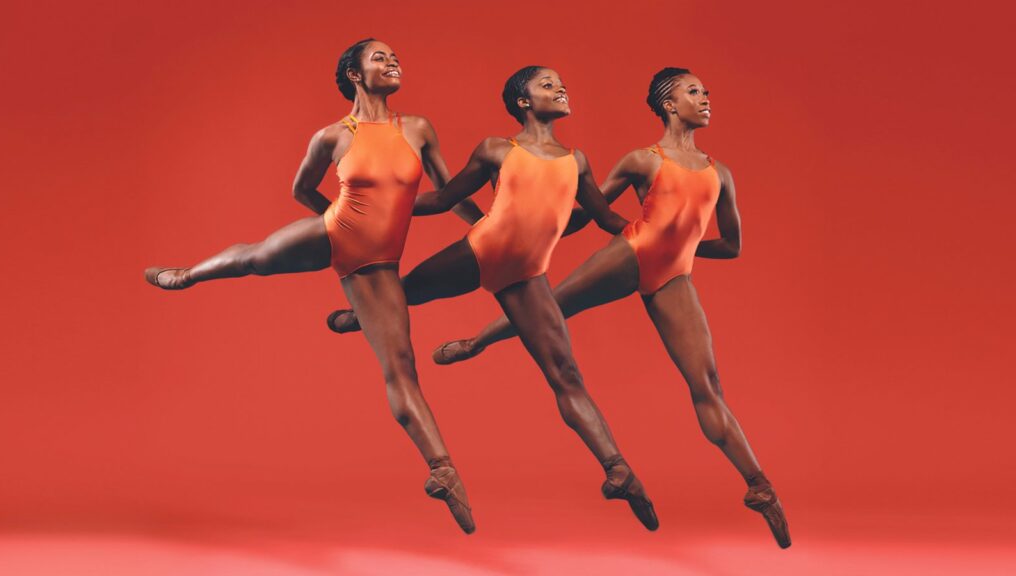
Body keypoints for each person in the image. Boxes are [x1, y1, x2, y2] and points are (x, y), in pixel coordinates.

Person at [423, 68, 791, 547]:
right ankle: (478, 340)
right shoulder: (644, 160)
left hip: (674, 276)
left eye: (706, 92)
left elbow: (731, 247)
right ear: (668, 104)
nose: (705, 98)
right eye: (694, 91)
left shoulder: (720, 174)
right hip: (629, 252)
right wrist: (531, 230)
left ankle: (759, 486)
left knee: (707, 385)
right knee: (552, 305)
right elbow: (586, 211)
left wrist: (681, 245)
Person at [144, 39, 482, 534]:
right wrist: (342, 220)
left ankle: (442, 472)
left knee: (401, 367)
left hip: (378, 263)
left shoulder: (417, 128)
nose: (393, 62)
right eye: (380, 58)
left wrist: (483, 227)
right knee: (256, 258)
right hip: (333, 231)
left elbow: (445, 193)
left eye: (395, 56)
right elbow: (301, 189)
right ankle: (190, 273)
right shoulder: (332, 136)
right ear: (354, 74)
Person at [326, 66, 659, 530]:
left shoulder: (576, 161)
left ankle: (617, 469)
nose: (561, 88)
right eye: (548, 84)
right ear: (523, 101)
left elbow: (601, 217)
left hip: (526, 275)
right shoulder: (497, 149)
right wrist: (377, 205)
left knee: (565, 373)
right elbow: (444, 200)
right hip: (481, 251)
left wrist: (650, 233)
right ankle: (358, 316)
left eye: (563, 83)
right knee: (402, 297)